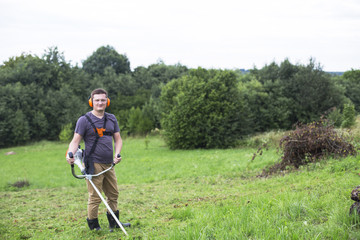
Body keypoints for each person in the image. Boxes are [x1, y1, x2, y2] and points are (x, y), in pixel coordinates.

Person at [66, 88, 130, 231]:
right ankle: (94, 226)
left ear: (107, 102)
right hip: (93, 163)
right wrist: (69, 153)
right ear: (91, 102)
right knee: (95, 196)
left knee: (113, 194)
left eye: (102, 100)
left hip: (109, 164)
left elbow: (118, 139)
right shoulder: (84, 120)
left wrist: (117, 154)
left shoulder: (111, 118)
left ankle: (114, 223)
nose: (100, 103)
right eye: (97, 100)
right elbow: (75, 141)